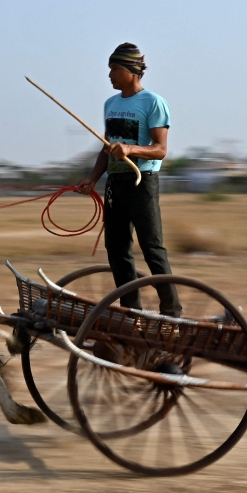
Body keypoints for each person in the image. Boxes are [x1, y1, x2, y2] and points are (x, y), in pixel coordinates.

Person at [77, 43, 182, 316]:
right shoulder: (110, 104)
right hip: (115, 186)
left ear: (132, 72)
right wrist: (92, 179)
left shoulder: (153, 103)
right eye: (109, 69)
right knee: (117, 250)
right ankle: (131, 312)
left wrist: (130, 149)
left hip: (142, 183)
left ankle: (172, 312)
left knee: (152, 249)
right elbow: (106, 147)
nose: (109, 74)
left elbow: (160, 149)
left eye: (114, 69)